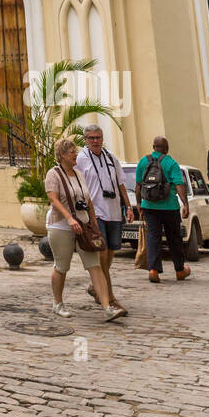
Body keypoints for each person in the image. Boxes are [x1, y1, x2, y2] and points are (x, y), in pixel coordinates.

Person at [46, 138, 124, 321]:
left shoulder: (79, 174)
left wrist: (94, 224)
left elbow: (88, 201)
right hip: (61, 226)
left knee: (94, 265)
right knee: (61, 266)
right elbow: (54, 199)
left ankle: (107, 307)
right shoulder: (54, 174)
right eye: (72, 152)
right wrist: (69, 217)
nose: (76, 155)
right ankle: (57, 303)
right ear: (62, 155)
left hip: (84, 226)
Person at [75, 125, 133, 310]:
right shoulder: (81, 159)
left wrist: (128, 207)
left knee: (111, 254)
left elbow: (121, 183)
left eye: (98, 137)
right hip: (96, 213)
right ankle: (109, 297)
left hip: (114, 211)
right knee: (102, 254)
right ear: (85, 139)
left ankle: (96, 287)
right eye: (91, 138)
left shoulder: (110, 157)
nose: (95, 141)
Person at [135, 136, 190, 282]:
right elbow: (179, 184)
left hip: (149, 206)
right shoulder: (171, 162)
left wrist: (139, 204)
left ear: (153, 147)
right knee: (174, 238)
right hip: (170, 206)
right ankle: (180, 270)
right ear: (166, 148)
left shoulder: (143, 161)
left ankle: (153, 270)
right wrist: (185, 204)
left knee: (153, 237)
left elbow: (138, 185)